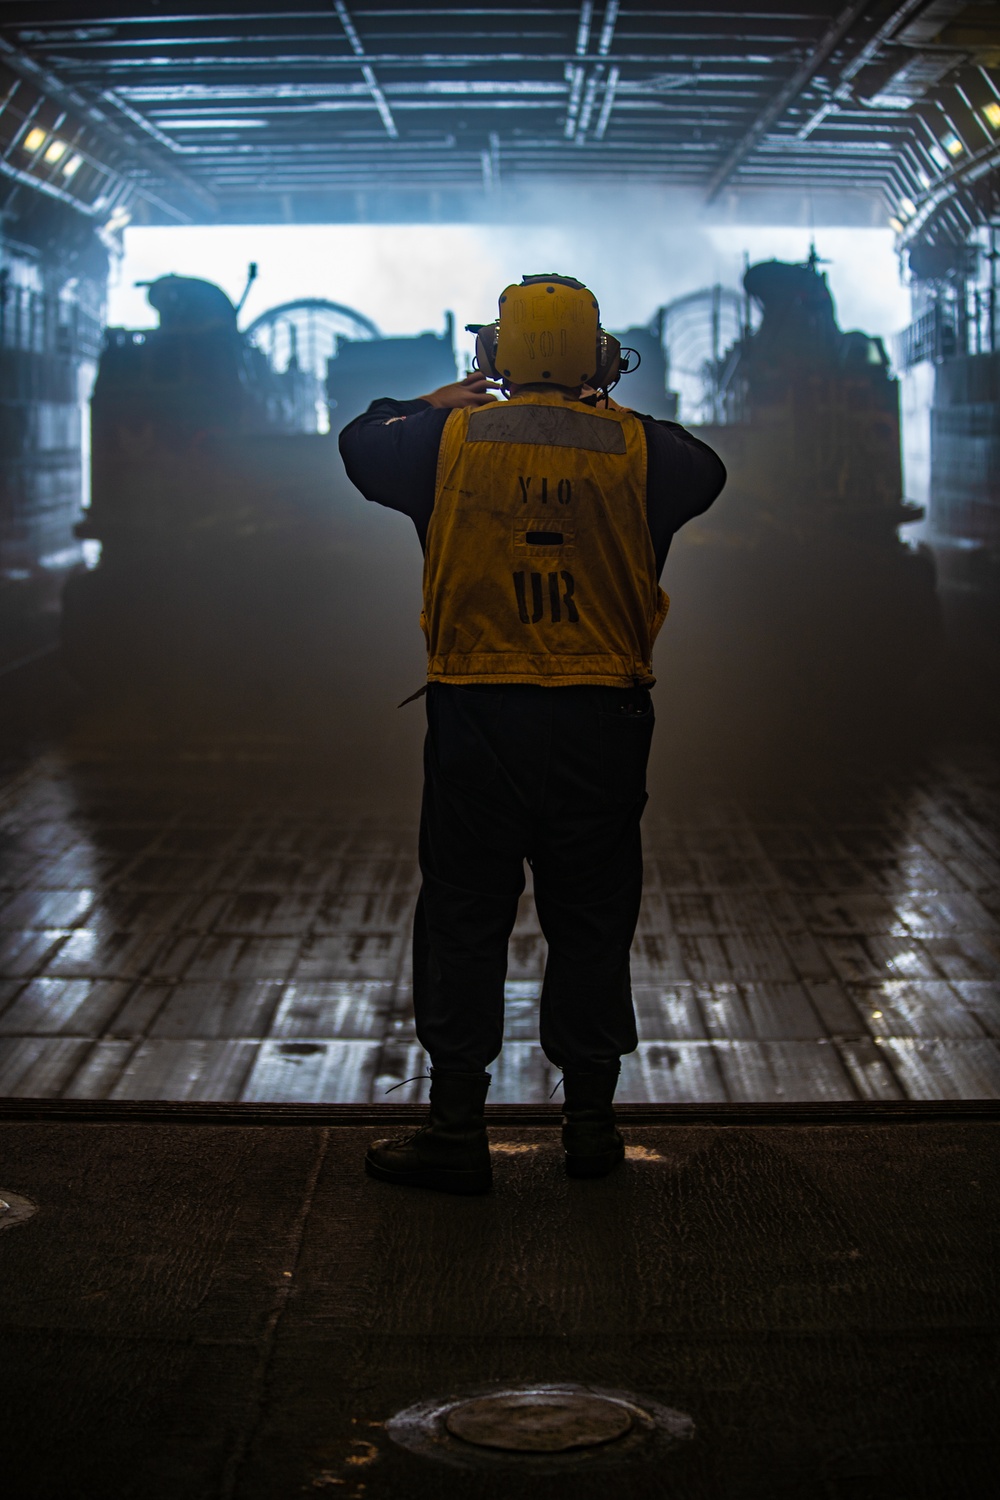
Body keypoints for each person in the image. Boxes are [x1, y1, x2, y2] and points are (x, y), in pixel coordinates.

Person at [339, 273, 725, 1195]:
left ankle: (455, 1128)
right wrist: (602, 405)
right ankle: (591, 1127)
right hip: (603, 714)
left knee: (466, 917)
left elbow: (357, 444)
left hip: (479, 711)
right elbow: (705, 466)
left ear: (494, 356)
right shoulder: (651, 454)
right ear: (599, 355)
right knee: (592, 920)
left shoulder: (439, 442)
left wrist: (424, 401)